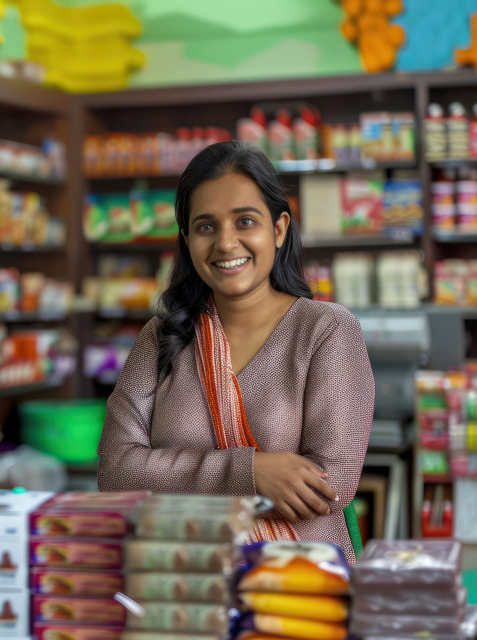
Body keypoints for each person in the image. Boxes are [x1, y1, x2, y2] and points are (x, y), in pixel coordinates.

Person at [96, 140, 374, 562]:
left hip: (298, 584)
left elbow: (327, 487)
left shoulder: (327, 331)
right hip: (183, 581)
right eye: (206, 226)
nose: (226, 243)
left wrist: (170, 475)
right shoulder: (161, 336)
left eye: (245, 221)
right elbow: (116, 471)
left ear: (278, 230)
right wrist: (252, 473)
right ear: (187, 238)